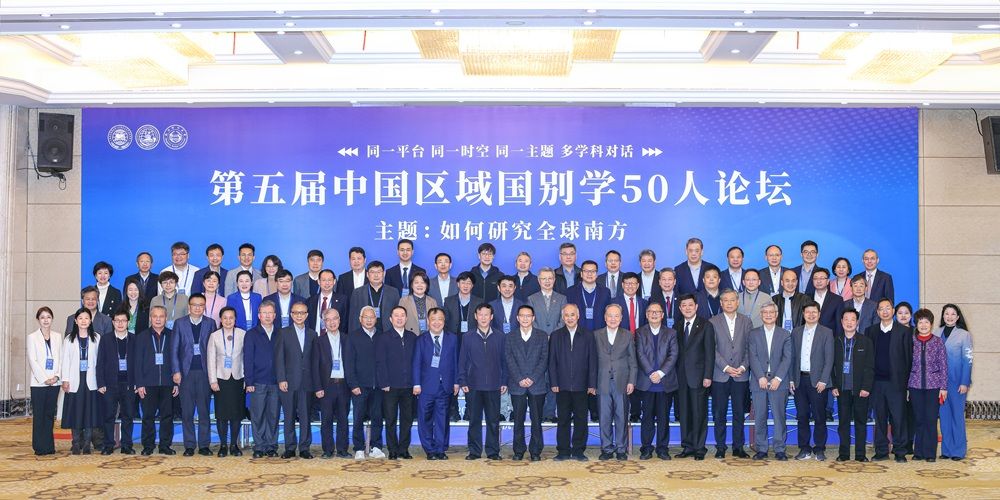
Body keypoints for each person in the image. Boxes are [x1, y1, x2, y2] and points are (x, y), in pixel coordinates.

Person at [866, 298, 912, 463]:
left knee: (898, 418)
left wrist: (906, 385)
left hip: (896, 384)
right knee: (879, 419)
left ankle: (900, 451)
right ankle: (881, 451)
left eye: (888, 308)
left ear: (893, 311)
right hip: (876, 383)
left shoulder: (904, 331)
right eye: (881, 309)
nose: (885, 311)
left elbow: (908, 359)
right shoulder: (870, 331)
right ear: (877, 312)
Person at [170, 293, 218, 457]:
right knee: (187, 412)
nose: (197, 308)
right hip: (186, 373)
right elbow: (174, 349)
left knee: (204, 411)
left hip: (205, 373)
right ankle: (189, 445)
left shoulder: (210, 323)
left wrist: (214, 374)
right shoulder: (180, 323)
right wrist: (176, 371)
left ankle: (204, 445)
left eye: (201, 305)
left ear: (204, 307)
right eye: (194, 305)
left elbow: (214, 350)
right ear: (189, 306)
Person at [458, 303, 507, 461]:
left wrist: (504, 381)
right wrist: (463, 380)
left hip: (494, 385)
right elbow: (462, 361)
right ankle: (474, 451)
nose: (483, 318)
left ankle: (493, 451)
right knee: (474, 421)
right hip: (473, 385)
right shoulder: (467, 337)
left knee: (493, 421)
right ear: (475, 316)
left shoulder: (500, 336)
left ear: (491, 317)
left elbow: (504, 361)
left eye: (487, 315)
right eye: (480, 314)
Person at [549, 304, 597, 461]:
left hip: (582, 385)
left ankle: (578, 450)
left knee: (581, 419)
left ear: (578, 316)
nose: (569, 318)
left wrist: (592, 384)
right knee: (562, 419)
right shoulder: (556, 336)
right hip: (561, 385)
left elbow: (593, 361)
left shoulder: (588, 335)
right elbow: (552, 362)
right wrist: (554, 382)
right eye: (566, 315)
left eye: (572, 315)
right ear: (563, 317)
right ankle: (563, 451)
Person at [708, 289, 752, 459]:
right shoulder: (713, 322)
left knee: (739, 413)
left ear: (737, 302)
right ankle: (720, 447)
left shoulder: (746, 321)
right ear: (721, 303)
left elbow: (750, 348)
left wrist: (743, 367)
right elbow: (711, 349)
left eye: (732, 300)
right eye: (725, 300)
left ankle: (738, 447)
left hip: (741, 375)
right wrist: (726, 367)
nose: (729, 303)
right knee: (719, 413)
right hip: (720, 374)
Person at [790, 301, 834, 461]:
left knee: (819, 416)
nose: (811, 315)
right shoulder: (796, 332)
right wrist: (791, 379)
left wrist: (824, 380)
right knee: (802, 416)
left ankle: (820, 448)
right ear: (803, 314)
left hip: (818, 382)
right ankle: (804, 448)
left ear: (819, 314)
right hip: (799, 380)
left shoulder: (827, 332)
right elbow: (792, 357)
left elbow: (829, 359)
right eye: (807, 312)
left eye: (814, 312)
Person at [413, 308, 459, 460]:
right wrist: (416, 384)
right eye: (433, 319)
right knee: (424, 419)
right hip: (426, 386)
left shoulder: (452, 339)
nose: (437, 322)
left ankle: (440, 449)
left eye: (440, 319)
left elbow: (456, 362)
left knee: (442, 419)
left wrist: (456, 382)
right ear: (428, 321)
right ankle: (430, 450)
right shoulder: (421, 339)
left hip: (445, 385)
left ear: (444, 321)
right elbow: (416, 363)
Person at [748, 303, 792, 461]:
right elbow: (752, 356)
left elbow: (787, 358)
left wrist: (778, 378)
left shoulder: (785, 334)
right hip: (758, 381)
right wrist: (760, 376)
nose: (768, 315)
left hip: (779, 382)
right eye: (765, 312)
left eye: (771, 312)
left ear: (777, 314)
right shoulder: (753, 334)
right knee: (760, 416)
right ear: (761, 315)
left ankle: (780, 449)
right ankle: (761, 448)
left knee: (779, 417)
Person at [674, 294, 716, 461]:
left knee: (699, 413)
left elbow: (710, 353)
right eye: (684, 305)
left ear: (696, 306)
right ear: (680, 308)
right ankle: (687, 446)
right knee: (684, 413)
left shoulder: (706, 325)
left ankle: (699, 447)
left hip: (699, 377)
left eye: (690, 305)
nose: (687, 308)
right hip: (681, 377)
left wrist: (708, 375)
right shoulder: (677, 325)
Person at [505, 305, 549, 461]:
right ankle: (518, 450)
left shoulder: (542, 336)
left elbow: (544, 359)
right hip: (517, 385)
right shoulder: (510, 336)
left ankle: (535, 451)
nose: (525, 318)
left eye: (528, 316)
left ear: (533, 318)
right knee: (518, 420)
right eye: (522, 316)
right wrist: (519, 378)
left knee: (537, 420)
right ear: (517, 318)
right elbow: (509, 359)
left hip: (537, 385)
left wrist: (532, 378)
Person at [132, 305, 178, 455]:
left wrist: (176, 382)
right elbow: (137, 362)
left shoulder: (173, 335)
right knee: (148, 416)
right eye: (155, 316)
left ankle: (165, 445)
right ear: (150, 318)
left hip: (168, 383)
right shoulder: (142, 337)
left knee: (167, 416)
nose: (158, 319)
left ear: (166, 318)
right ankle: (148, 445)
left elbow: (177, 359)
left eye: (161, 316)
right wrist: (139, 384)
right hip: (148, 383)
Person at [635, 302, 678, 460]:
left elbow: (673, 355)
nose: (654, 314)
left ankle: (662, 449)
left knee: (663, 418)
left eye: (657, 312)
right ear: (646, 315)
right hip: (646, 383)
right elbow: (640, 353)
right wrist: (651, 372)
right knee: (647, 418)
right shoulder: (640, 332)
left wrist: (660, 373)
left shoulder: (671, 333)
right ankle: (646, 448)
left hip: (665, 383)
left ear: (662, 315)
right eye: (651, 312)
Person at [594, 304, 637, 461]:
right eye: (610, 315)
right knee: (604, 417)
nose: (613, 319)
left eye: (616, 316)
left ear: (621, 318)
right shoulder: (596, 335)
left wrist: (632, 381)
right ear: (605, 317)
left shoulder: (628, 335)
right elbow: (592, 361)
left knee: (621, 416)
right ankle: (606, 448)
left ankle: (620, 449)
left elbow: (632, 361)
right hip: (602, 382)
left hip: (622, 382)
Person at [831, 309, 875, 462]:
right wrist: (834, 386)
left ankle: (860, 454)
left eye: (852, 319)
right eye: (846, 319)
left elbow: (870, 367)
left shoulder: (865, 341)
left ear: (857, 322)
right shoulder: (835, 341)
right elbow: (831, 366)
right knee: (843, 423)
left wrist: (866, 387)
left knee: (860, 422)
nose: (849, 322)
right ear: (841, 322)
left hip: (860, 390)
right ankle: (843, 453)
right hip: (842, 389)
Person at [345, 306, 387, 460]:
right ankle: (359, 448)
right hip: (360, 386)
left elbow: (385, 362)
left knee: (377, 417)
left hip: (378, 385)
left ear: (376, 319)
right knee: (358, 417)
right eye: (366, 317)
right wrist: (353, 384)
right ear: (360, 319)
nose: (369, 320)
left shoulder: (381, 336)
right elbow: (349, 363)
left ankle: (376, 446)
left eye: (372, 317)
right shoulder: (353, 337)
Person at [275, 301, 316, 459]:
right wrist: (281, 379)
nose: (299, 315)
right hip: (289, 382)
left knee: (305, 417)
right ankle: (290, 447)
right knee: (289, 416)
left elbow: (314, 360)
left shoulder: (312, 334)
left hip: (307, 382)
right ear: (291, 315)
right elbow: (279, 358)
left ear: (307, 315)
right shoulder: (283, 333)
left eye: (302, 313)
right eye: (296, 313)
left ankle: (304, 448)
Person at [376, 306, 418, 460]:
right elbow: (380, 362)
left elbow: (417, 362)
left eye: (402, 315)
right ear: (390, 319)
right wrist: (384, 382)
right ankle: (392, 449)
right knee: (390, 419)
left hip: (408, 386)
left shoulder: (412, 337)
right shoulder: (384, 338)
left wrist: (416, 383)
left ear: (406, 318)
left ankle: (404, 449)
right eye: (396, 315)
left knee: (407, 420)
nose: (399, 318)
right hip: (390, 386)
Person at [61, 308, 103, 455]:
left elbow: (100, 361)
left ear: (90, 321)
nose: (83, 321)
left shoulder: (97, 338)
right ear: (75, 321)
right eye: (80, 318)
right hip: (74, 380)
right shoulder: (69, 339)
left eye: (86, 318)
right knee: (76, 412)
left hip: (91, 380)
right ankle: (75, 443)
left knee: (89, 412)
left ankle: (87, 444)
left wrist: (101, 381)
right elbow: (65, 361)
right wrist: (65, 379)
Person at [311, 308, 351, 459]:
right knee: (326, 420)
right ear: (324, 323)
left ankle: (342, 450)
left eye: (335, 319)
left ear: (339, 320)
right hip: (326, 386)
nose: (332, 322)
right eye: (328, 320)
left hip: (344, 385)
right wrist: (318, 387)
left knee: (343, 419)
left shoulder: (347, 339)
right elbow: (314, 366)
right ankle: (327, 450)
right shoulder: (319, 341)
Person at [908, 308, 948, 462]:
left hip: (933, 387)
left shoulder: (938, 342)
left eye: (926, 322)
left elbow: (943, 365)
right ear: (916, 324)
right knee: (919, 419)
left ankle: (930, 453)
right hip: (915, 386)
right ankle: (918, 452)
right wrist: (906, 388)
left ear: (931, 324)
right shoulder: (911, 342)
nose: (923, 325)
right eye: (920, 322)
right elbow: (906, 365)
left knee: (931, 420)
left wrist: (943, 387)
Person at [206, 307, 246, 457]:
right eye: (225, 318)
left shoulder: (242, 334)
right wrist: (212, 381)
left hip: (238, 379)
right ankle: (223, 445)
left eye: (231, 318)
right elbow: (210, 359)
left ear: (235, 319)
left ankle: (234, 444)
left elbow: (246, 358)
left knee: (236, 414)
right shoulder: (214, 336)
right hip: (221, 379)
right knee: (222, 414)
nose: (228, 321)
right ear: (221, 320)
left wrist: (246, 379)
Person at [935, 304, 973, 461]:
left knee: (957, 416)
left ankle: (958, 451)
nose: (949, 317)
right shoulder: (936, 332)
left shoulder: (964, 335)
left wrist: (965, 382)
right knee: (944, 417)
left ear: (957, 317)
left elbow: (968, 360)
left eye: (952, 314)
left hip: (957, 383)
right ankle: (947, 450)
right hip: (940, 384)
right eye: (946, 314)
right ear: (943, 316)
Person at [96, 309, 137, 455]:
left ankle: (127, 445)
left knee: (128, 416)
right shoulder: (105, 339)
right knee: (108, 416)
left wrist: (137, 383)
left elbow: (139, 363)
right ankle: (108, 445)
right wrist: (100, 383)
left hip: (129, 384)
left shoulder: (134, 339)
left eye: (123, 320)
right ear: (113, 322)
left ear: (128, 322)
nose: (120, 323)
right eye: (117, 321)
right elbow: (100, 362)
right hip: (110, 384)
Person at [243, 301, 281, 458]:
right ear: (259, 316)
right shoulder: (251, 334)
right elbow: (248, 359)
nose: (267, 316)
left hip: (276, 382)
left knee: (273, 416)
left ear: (275, 315)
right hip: (257, 382)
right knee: (257, 416)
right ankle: (259, 446)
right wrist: (249, 382)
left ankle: (271, 446)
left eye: (270, 313)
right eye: (264, 313)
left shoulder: (281, 333)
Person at [27, 306, 62, 455]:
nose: (46, 320)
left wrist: (57, 376)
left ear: (52, 319)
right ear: (38, 320)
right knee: (39, 415)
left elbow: (60, 358)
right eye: (42, 317)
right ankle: (39, 447)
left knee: (49, 415)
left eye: (48, 317)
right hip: (38, 383)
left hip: (54, 382)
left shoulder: (57, 336)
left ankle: (49, 446)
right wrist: (44, 379)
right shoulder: (32, 337)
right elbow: (32, 360)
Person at [614, 272, 647, 422]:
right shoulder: (614, 302)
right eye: (627, 283)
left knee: (637, 377)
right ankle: (621, 412)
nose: (630, 286)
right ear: (622, 285)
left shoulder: (644, 303)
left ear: (638, 285)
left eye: (633, 283)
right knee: (623, 377)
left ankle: (635, 413)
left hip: (640, 346)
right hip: (620, 346)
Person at [348, 261, 401, 334]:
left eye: (379, 272)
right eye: (372, 272)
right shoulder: (357, 293)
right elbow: (353, 319)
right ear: (367, 274)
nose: (376, 275)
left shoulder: (393, 292)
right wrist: (353, 336)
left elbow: (397, 315)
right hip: (364, 335)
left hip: (387, 334)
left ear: (384, 273)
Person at [895, 301, 917, 455]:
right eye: (900, 313)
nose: (903, 316)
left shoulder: (916, 332)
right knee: (897, 414)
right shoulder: (891, 331)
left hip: (914, 377)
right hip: (896, 379)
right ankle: (898, 442)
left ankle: (909, 443)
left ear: (911, 315)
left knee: (911, 413)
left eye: (906, 313)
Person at [567, 260, 611, 332]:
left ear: (597, 274)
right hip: (578, 333)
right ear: (581, 274)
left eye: (593, 271)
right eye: (586, 271)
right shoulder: (571, 291)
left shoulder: (605, 292)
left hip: (600, 333)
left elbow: (608, 313)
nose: (589, 274)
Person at [307, 269, 348, 335]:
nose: (327, 283)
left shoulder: (343, 300)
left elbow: (345, 323)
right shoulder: (310, 301)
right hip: (314, 338)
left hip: (335, 337)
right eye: (324, 280)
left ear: (334, 281)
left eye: (329, 280)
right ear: (318, 282)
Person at [528, 267, 567, 335]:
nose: (547, 281)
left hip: (557, 336)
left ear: (554, 280)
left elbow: (563, 319)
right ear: (539, 280)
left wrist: (554, 335)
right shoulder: (531, 299)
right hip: (537, 336)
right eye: (544, 279)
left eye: (550, 278)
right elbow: (530, 320)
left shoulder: (562, 299)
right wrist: (541, 335)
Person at [810, 268, 844, 332]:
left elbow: (839, 324)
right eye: (816, 278)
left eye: (822, 278)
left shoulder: (837, 300)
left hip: (829, 336)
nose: (818, 281)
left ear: (828, 281)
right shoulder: (806, 298)